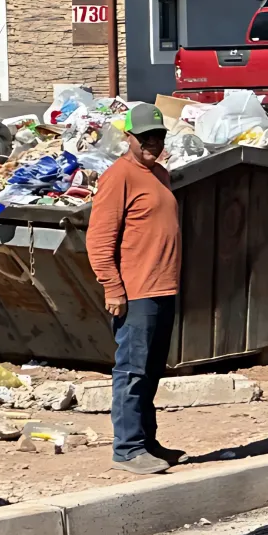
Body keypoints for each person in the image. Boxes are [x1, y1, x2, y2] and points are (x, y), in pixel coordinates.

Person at [85, 103, 184, 475]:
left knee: (153, 369)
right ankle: (127, 448)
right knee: (132, 369)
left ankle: (147, 441)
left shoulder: (160, 174)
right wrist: (113, 287)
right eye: (145, 138)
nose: (152, 144)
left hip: (163, 286)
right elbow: (99, 239)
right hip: (136, 290)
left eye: (157, 137)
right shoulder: (119, 176)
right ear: (129, 137)